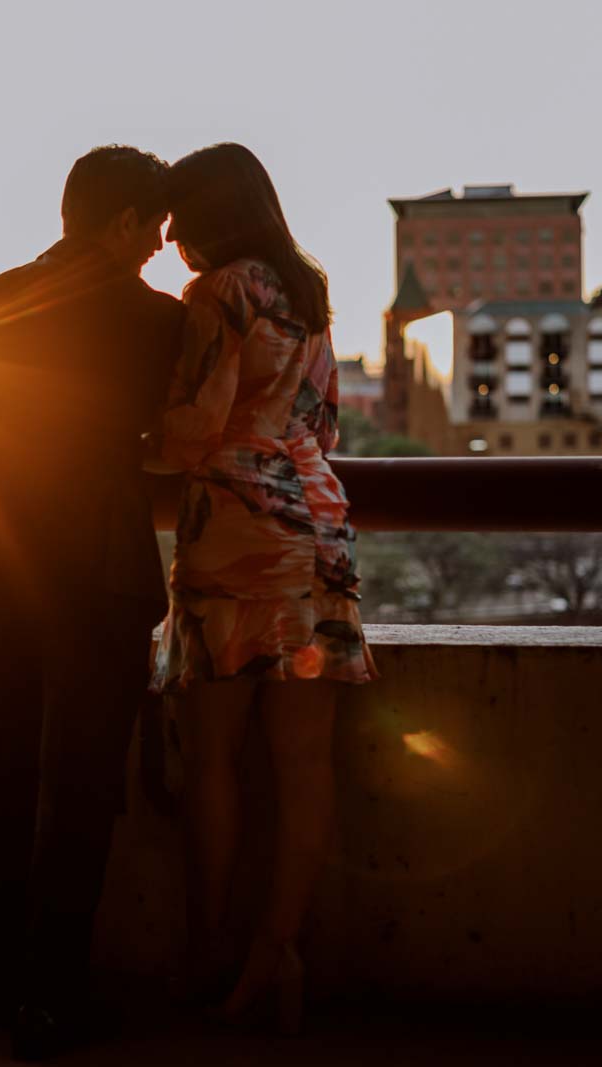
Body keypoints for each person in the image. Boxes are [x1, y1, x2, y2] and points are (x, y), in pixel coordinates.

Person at [0, 145, 185, 1061]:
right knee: (79, 787)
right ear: (120, 224)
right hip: (96, 566)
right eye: (154, 227)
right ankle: (53, 994)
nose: (161, 245)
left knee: (4, 767)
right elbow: (166, 438)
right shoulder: (154, 321)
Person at [148, 142, 378, 1035]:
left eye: (176, 221)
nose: (170, 243)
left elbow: (194, 432)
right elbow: (322, 421)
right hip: (316, 524)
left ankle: (211, 950)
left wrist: (130, 434)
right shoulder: (307, 290)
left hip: (239, 535)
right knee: (303, 763)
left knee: (213, 760)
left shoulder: (219, 293)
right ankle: (278, 951)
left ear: (207, 214)